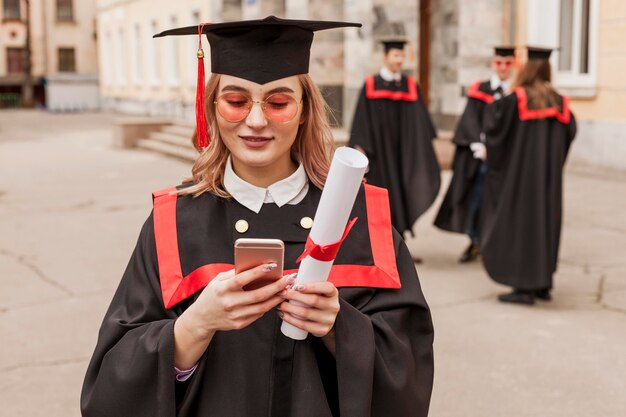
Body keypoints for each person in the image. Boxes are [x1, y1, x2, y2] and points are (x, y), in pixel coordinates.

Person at [80, 16, 434, 417]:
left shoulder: (363, 218)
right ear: (213, 108)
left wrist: (340, 328)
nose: (256, 120)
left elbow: (410, 367)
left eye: (279, 102)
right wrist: (194, 326)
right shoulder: (174, 222)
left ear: (303, 111)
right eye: (236, 101)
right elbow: (110, 389)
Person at [480, 46, 577, 305]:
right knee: (546, 223)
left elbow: (494, 127)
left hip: (522, 177)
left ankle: (524, 288)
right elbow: (570, 132)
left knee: (523, 225)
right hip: (549, 178)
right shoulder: (560, 101)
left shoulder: (517, 99)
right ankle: (543, 283)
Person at [348, 38, 441, 242]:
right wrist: (361, 148)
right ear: (386, 56)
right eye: (395, 55)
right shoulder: (372, 85)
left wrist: (421, 150)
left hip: (403, 154)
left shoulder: (409, 85)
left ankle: (400, 244)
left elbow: (420, 121)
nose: (399, 60)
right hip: (380, 153)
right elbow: (361, 120)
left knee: (403, 194)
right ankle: (383, 242)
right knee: (383, 196)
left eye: (401, 56)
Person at [434, 46, 516, 263]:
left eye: (508, 63)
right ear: (493, 64)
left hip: (504, 161)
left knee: (500, 204)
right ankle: (475, 241)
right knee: (476, 201)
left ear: (513, 65)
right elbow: (470, 120)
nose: (503, 68)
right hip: (480, 159)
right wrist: (477, 145)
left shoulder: (516, 93)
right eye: (499, 63)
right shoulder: (481, 89)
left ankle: (495, 245)